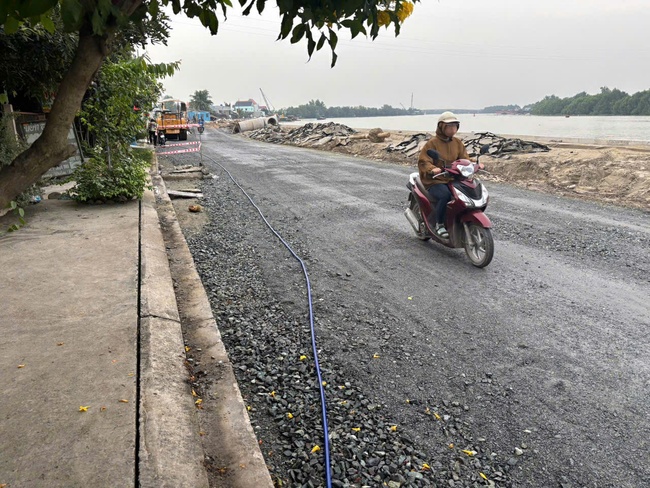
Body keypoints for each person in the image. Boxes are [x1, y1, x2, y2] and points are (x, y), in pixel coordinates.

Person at [417, 111, 483, 239]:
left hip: (453, 177)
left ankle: (458, 219)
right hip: (435, 179)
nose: (452, 129)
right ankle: (439, 224)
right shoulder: (432, 143)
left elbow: (464, 158)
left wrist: (476, 164)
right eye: (449, 126)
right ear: (441, 127)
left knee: (465, 194)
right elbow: (424, 161)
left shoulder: (457, 142)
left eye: (454, 126)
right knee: (445, 195)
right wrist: (433, 169)